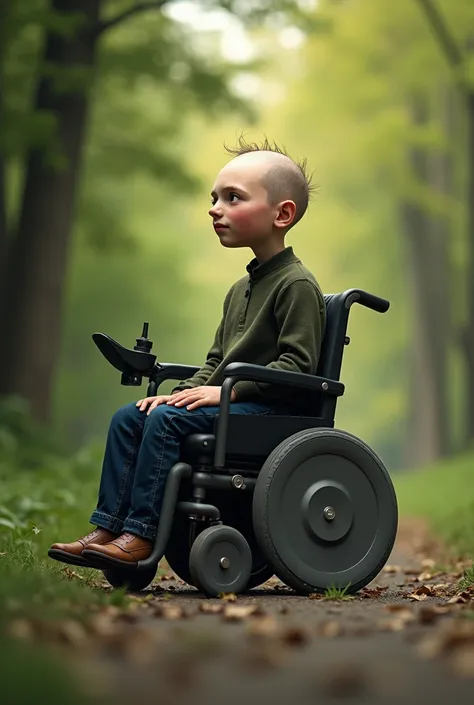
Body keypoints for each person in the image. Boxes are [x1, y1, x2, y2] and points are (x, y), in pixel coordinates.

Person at [48, 136, 326, 570]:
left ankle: (138, 536)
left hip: (272, 411)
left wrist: (229, 393)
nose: (215, 208)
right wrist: (181, 392)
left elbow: (298, 366)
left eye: (233, 198)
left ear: (282, 214)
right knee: (132, 416)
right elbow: (216, 362)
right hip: (237, 402)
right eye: (214, 198)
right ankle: (108, 528)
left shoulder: (297, 285)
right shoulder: (241, 289)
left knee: (164, 422)